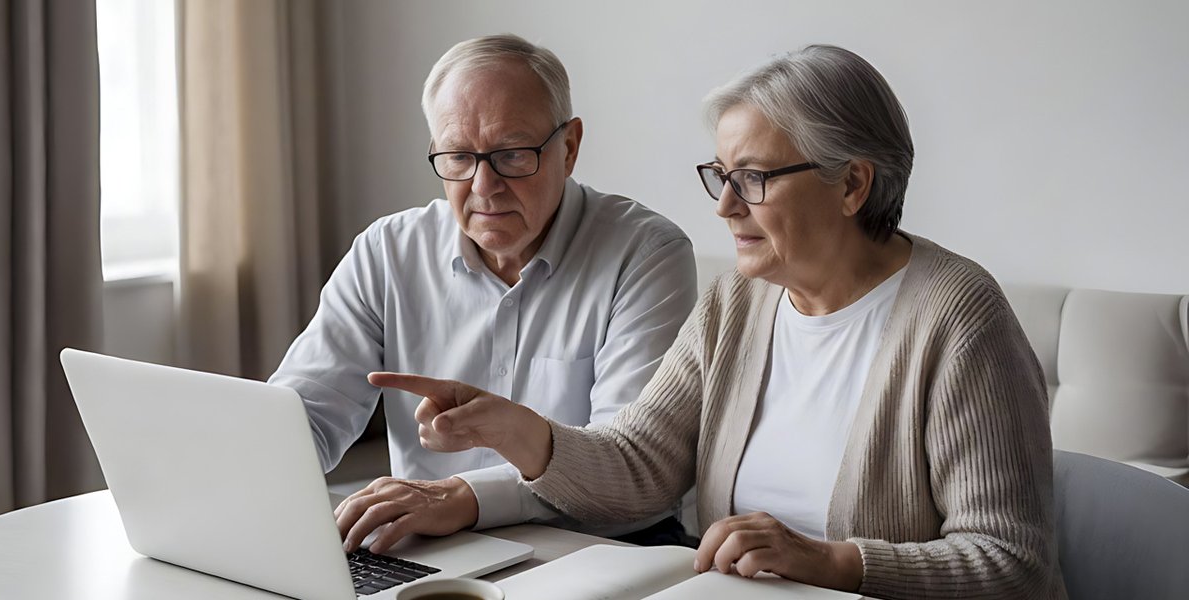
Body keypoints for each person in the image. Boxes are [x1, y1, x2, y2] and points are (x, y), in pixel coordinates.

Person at [369, 45, 1068, 599]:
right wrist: (518, 430)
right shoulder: (737, 302)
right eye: (720, 174)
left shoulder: (957, 317)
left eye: (755, 178)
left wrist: (833, 562)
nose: (725, 206)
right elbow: (641, 465)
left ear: (852, 184)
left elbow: (1012, 565)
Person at [269, 34, 697, 550]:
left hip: (606, 545)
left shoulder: (646, 253)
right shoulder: (388, 251)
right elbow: (303, 417)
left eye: (512, 154)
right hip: (433, 547)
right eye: (457, 157)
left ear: (569, 147)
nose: (483, 185)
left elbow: (628, 465)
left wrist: (466, 496)